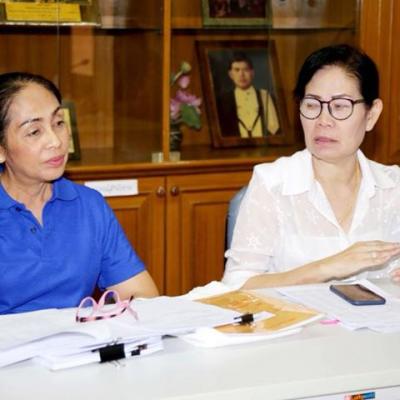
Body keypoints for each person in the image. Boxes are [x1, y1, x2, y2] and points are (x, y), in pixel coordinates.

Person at [223, 44, 400, 289]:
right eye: (312, 105)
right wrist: (325, 268)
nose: (323, 121)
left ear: (371, 114)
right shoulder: (273, 184)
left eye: (340, 106)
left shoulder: (394, 188)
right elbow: (236, 286)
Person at [0, 72, 159, 314]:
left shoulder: (89, 204)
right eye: (34, 132)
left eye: (58, 123)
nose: (56, 141)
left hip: (77, 336)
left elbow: (142, 294)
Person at [216, 52, 280, 138]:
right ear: (231, 74)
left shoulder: (265, 96)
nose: (241, 75)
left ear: (252, 73)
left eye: (245, 70)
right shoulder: (223, 101)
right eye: (237, 70)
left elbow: (275, 130)